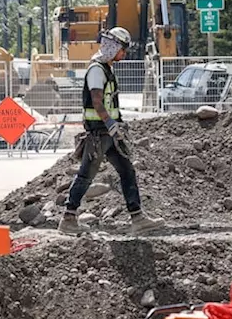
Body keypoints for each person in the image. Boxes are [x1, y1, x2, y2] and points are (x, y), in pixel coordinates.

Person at [58, 26, 165, 236]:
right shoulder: (97, 70)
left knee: (127, 171)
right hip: (100, 133)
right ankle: (69, 218)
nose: (123, 55)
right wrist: (110, 124)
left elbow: (109, 101)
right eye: (122, 50)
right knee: (86, 175)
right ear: (113, 47)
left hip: (109, 134)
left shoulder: (107, 68)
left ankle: (138, 218)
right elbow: (97, 102)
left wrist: (117, 124)